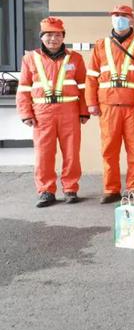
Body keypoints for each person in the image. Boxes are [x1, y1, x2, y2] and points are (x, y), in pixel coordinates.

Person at [16, 17, 89, 207]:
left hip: (69, 111)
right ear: (41, 37)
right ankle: (46, 191)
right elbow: (23, 88)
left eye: (57, 35)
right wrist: (26, 113)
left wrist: (84, 111)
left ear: (63, 37)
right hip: (42, 113)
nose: (53, 39)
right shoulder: (30, 58)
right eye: (49, 35)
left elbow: (83, 88)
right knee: (43, 154)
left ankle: (70, 189)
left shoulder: (75, 58)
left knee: (72, 152)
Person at [86, 4, 134, 203]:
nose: (119, 19)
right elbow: (91, 77)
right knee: (109, 149)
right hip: (108, 106)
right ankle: (111, 189)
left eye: (123, 16)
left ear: (132, 20)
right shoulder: (100, 45)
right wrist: (91, 103)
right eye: (116, 15)